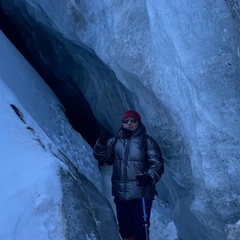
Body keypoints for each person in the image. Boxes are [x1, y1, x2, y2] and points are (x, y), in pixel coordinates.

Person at [93, 110, 164, 240]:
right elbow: (100, 156)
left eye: (133, 120)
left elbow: (157, 164)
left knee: (140, 230)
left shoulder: (147, 142)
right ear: (122, 123)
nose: (129, 123)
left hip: (141, 193)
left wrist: (149, 177)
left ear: (138, 123)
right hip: (121, 194)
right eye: (126, 121)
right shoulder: (115, 141)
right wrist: (101, 142)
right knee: (125, 230)